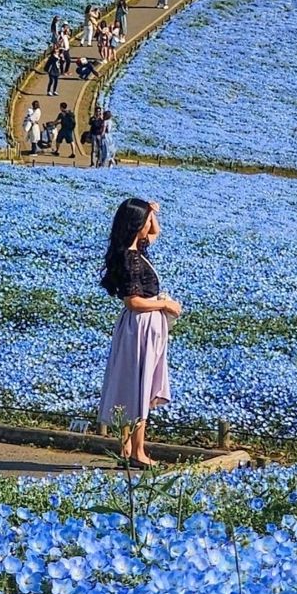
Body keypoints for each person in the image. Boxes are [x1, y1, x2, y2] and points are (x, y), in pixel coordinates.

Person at [97, 198, 181, 467]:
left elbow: (156, 233)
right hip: (141, 327)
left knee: (130, 385)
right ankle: (138, 453)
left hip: (138, 327)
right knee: (139, 388)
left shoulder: (135, 248)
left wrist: (152, 212)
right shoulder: (131, 259)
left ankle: (126, 450)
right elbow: (133, 302)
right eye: (145, 221)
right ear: (136, 226)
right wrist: (165, 304)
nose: (150, 227)